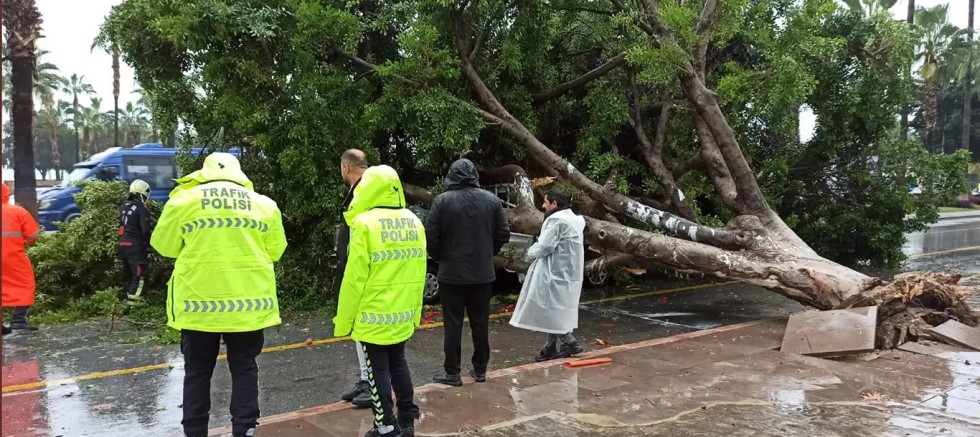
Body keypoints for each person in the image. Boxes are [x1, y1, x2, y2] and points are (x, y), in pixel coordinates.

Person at [150, 153, 287, 437]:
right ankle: (245, 430)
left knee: (197, 372)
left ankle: (195, 431)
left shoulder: (183, 201)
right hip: (248, 307)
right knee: (245, 368)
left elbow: (164, 245)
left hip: (197, 306)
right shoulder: (264, 205)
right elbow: (276, 250)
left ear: (205, 172)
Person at [333, 165, 426, 437]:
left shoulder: (364, 224)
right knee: (398, 362)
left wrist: (344, 321)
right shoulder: (413, 220)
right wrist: (415, 313)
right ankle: (407, 412)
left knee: (377, 373)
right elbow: (420, 273)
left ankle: (385, 425)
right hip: (402, 313)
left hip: (373, 315)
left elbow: (354, 280)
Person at [425, 159, 509, 386]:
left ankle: (452, 372)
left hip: (451, 273)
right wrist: (488, 252)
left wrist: (441, 257)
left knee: (453, 323)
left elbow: (431, 237)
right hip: (482, 273)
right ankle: (480, 369)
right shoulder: (492, 201)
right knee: (480, 322)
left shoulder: (442, 202)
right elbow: (503, 234)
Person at [509, 187, 586, 362]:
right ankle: (553, 346)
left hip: (553, 271)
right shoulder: (574, 220)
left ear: (554, 203)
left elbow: (545, 246)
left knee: (551, 308)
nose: (543, 206)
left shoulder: (557, 221)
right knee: (556, 308)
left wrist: (530, 252)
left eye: (545, 202)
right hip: (568, 272)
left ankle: (567, 341)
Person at [334, 149, 373, 409]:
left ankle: (372, 384)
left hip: (366, 273)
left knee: (367, 332)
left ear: (346, 167)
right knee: (359, 332)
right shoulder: (364, 188)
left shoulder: (366, 191)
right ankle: (364, 378)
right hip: (358, 269)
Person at [2, 183, 41, 335]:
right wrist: (24, 242)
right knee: (25, 283)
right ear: (6, 193)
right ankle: (18, 321)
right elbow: (33, 235)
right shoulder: (17, 211)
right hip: (13, 257)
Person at [118, 179, 155, 304]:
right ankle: (133, 305)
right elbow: (145, 231)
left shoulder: (123, 207)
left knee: (129, 274)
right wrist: (149, 244)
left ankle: (125, 300)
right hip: (135, 245)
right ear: (141, 194)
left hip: (123, 244)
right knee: (140, 274)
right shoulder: (141, 209)